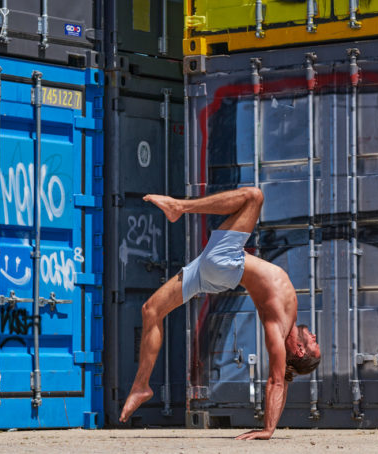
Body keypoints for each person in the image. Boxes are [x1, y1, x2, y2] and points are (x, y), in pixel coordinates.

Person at [118, 187, 321, 440]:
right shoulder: (287, 321)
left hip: (225, 262)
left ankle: (179, 207)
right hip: (214, 269)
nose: (314, 336)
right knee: (151, 310)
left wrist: (268, 430)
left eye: (314, 343)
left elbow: (277, 381)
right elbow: (283, 380)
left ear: (300, 350)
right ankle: (141, 386)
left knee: (254, 197)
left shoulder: (277, 329)